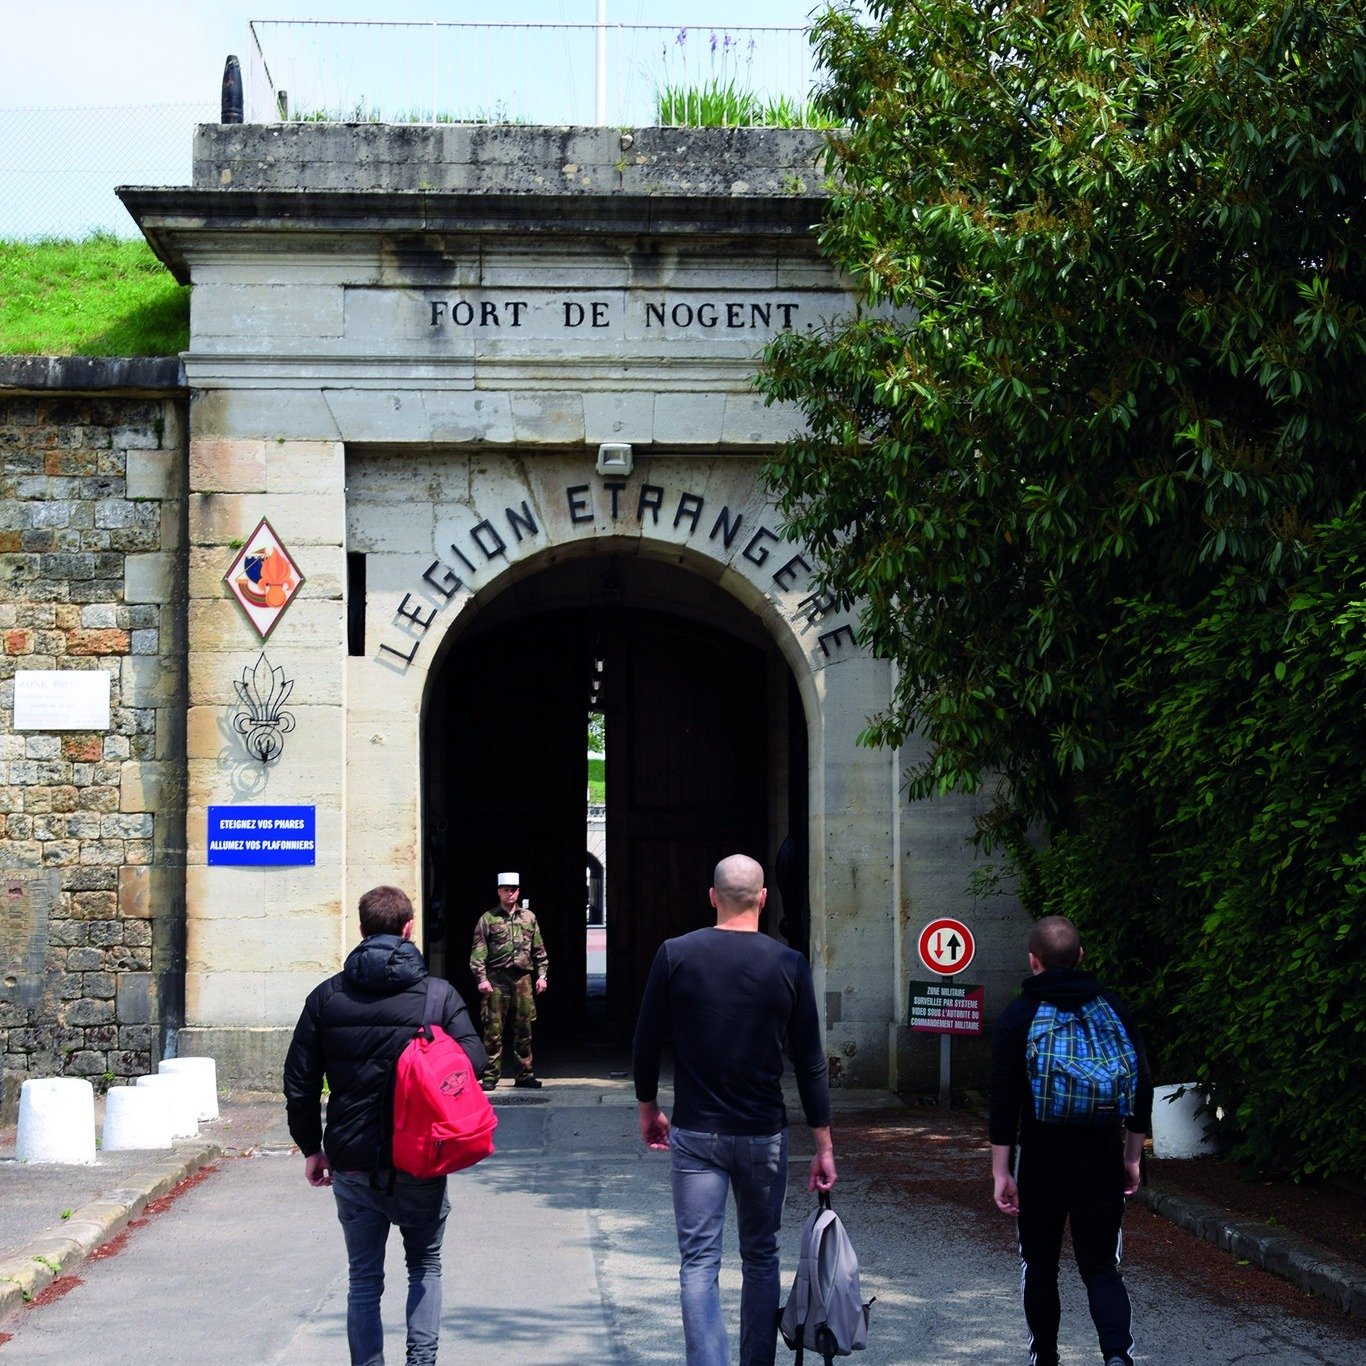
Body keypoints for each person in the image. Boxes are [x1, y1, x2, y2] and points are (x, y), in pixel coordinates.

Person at [633, 853, 836, 1366]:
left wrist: (648, 1109)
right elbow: (810, 1062)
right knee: (761, 1256)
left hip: (697, 1132)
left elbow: (645, 1041)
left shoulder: (675, 954)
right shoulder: (788, 964)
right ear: (764, 899)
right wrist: (823, 1144)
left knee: (699, 1262)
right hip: (762, 1133)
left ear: (711, 897)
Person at [283, 885, 487, 1366]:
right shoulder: (437, 996)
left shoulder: (326, 998)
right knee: (425, 1264)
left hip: (352, 1160)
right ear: (409, 928)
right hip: (421, 1156)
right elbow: (474, 1061)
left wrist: (311, 1147)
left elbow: (299, 1082)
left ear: (361, 930)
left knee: (363, 1280)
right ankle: (422, 1361)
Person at [989, 915, 1154, 1366]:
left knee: (1040, 1266)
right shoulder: (1113, 1009)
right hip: (1101, 1154)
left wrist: (1001, 1171)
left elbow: (1003, 1100)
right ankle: (1117, 1357)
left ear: (1033, 961)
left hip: (1041, 1157)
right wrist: (1132, 1155)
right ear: (1081, 957)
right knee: (1101, 1267)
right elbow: (1141, 1083)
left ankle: (1045, 1358)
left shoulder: (1018, 1016)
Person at [469, 871, 548, 1090]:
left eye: (513, 889)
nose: (510, 893)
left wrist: (542, 976)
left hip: (522, 979)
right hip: (497, 979)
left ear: (519, 891)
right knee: (493, 1030)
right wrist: (481, 978)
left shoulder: (529, 918)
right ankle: (490, 1076)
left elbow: (539, 949)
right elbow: (479, 950)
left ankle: (524, 1074)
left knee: (524, 1028)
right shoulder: (488, 919)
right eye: (506, 890)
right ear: (499, 892)